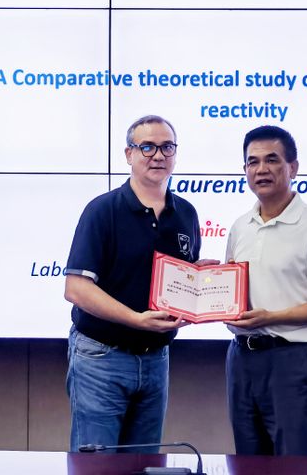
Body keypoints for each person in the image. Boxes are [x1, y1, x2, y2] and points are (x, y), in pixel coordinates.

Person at [64, 115, 205, 452]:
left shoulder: (185, 213)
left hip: (156, 359)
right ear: (129, 154)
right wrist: (136, 319)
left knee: (145, 464)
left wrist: (201, 279)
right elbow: (76, 289)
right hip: (101, 357)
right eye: (147, 147)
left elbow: (177, 281)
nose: (158, 156)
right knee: (95, 465)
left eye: (167, 147)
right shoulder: (103, 210)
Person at [224, 125, 307, 456]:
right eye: (252, 162)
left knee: (294, 463)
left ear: (293, 168)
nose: (261, 169)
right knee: (247, 463)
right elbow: (229, 294)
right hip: (240, 360)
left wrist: (271, 317)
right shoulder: (240, 227)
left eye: (272, 160)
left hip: (291, 362)